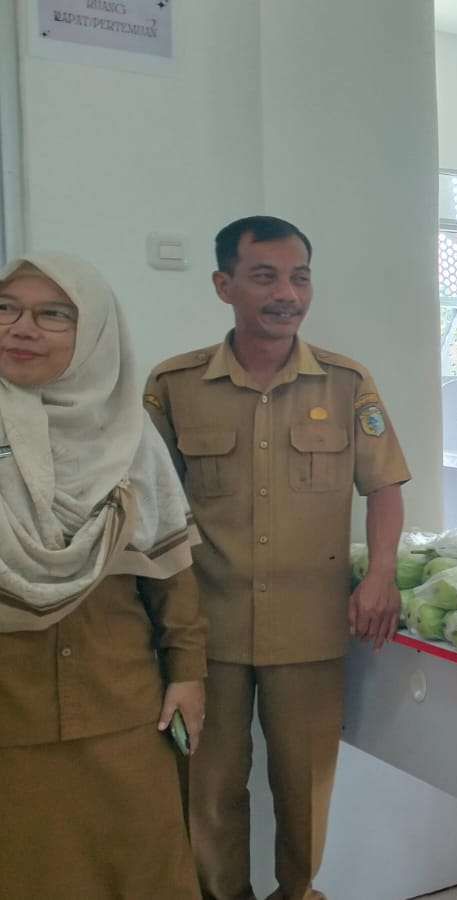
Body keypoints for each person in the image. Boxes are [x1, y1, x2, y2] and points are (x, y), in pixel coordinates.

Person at [144, 216, 412, 900]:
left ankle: (299, 893)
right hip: (207, 632)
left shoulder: (347, 383)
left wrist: (381, 575)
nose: (286, 294)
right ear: (224, 285)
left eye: (299, 277)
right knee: (208, 789)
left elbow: (384, 486)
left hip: (310, 629)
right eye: (264, 276)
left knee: (306, 785)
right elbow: (151, 510)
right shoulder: (174, 386)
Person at [0, 253, 207, 898]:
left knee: (141, 869)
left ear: (93, 332)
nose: (21, 328)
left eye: (52, 315)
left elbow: (170, 573)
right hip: (10, 712)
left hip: (121, 706)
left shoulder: (128, 436)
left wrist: (188, 675)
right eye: (5, 309)